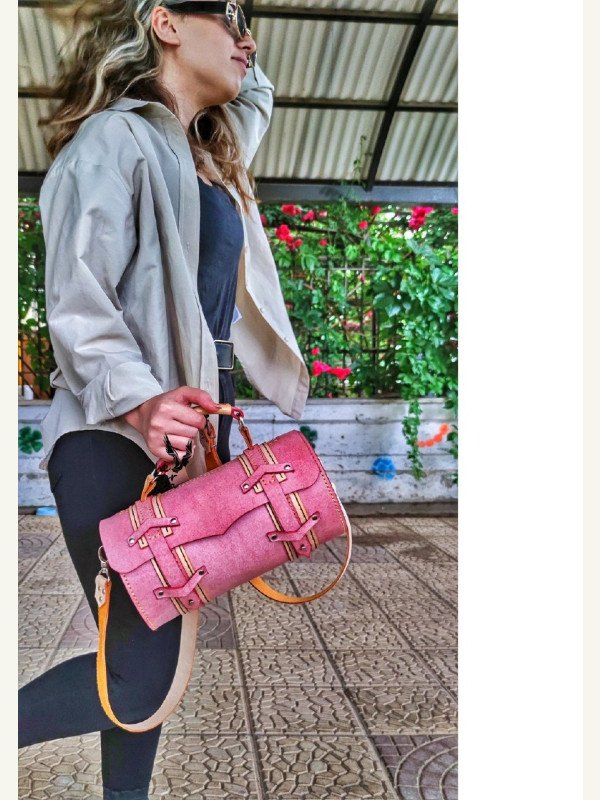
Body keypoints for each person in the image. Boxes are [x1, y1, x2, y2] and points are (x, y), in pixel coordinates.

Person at [18, 2, 309, 798]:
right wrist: (141, 403)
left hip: (182, 441)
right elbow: (77, 298)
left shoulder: (205, 155)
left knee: (145, 664)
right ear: (166, 23)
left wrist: (237, 39)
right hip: (118, 436)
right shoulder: (114, 140)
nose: (247, 41)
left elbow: (253, 92)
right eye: (229, 16)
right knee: (141, 677)